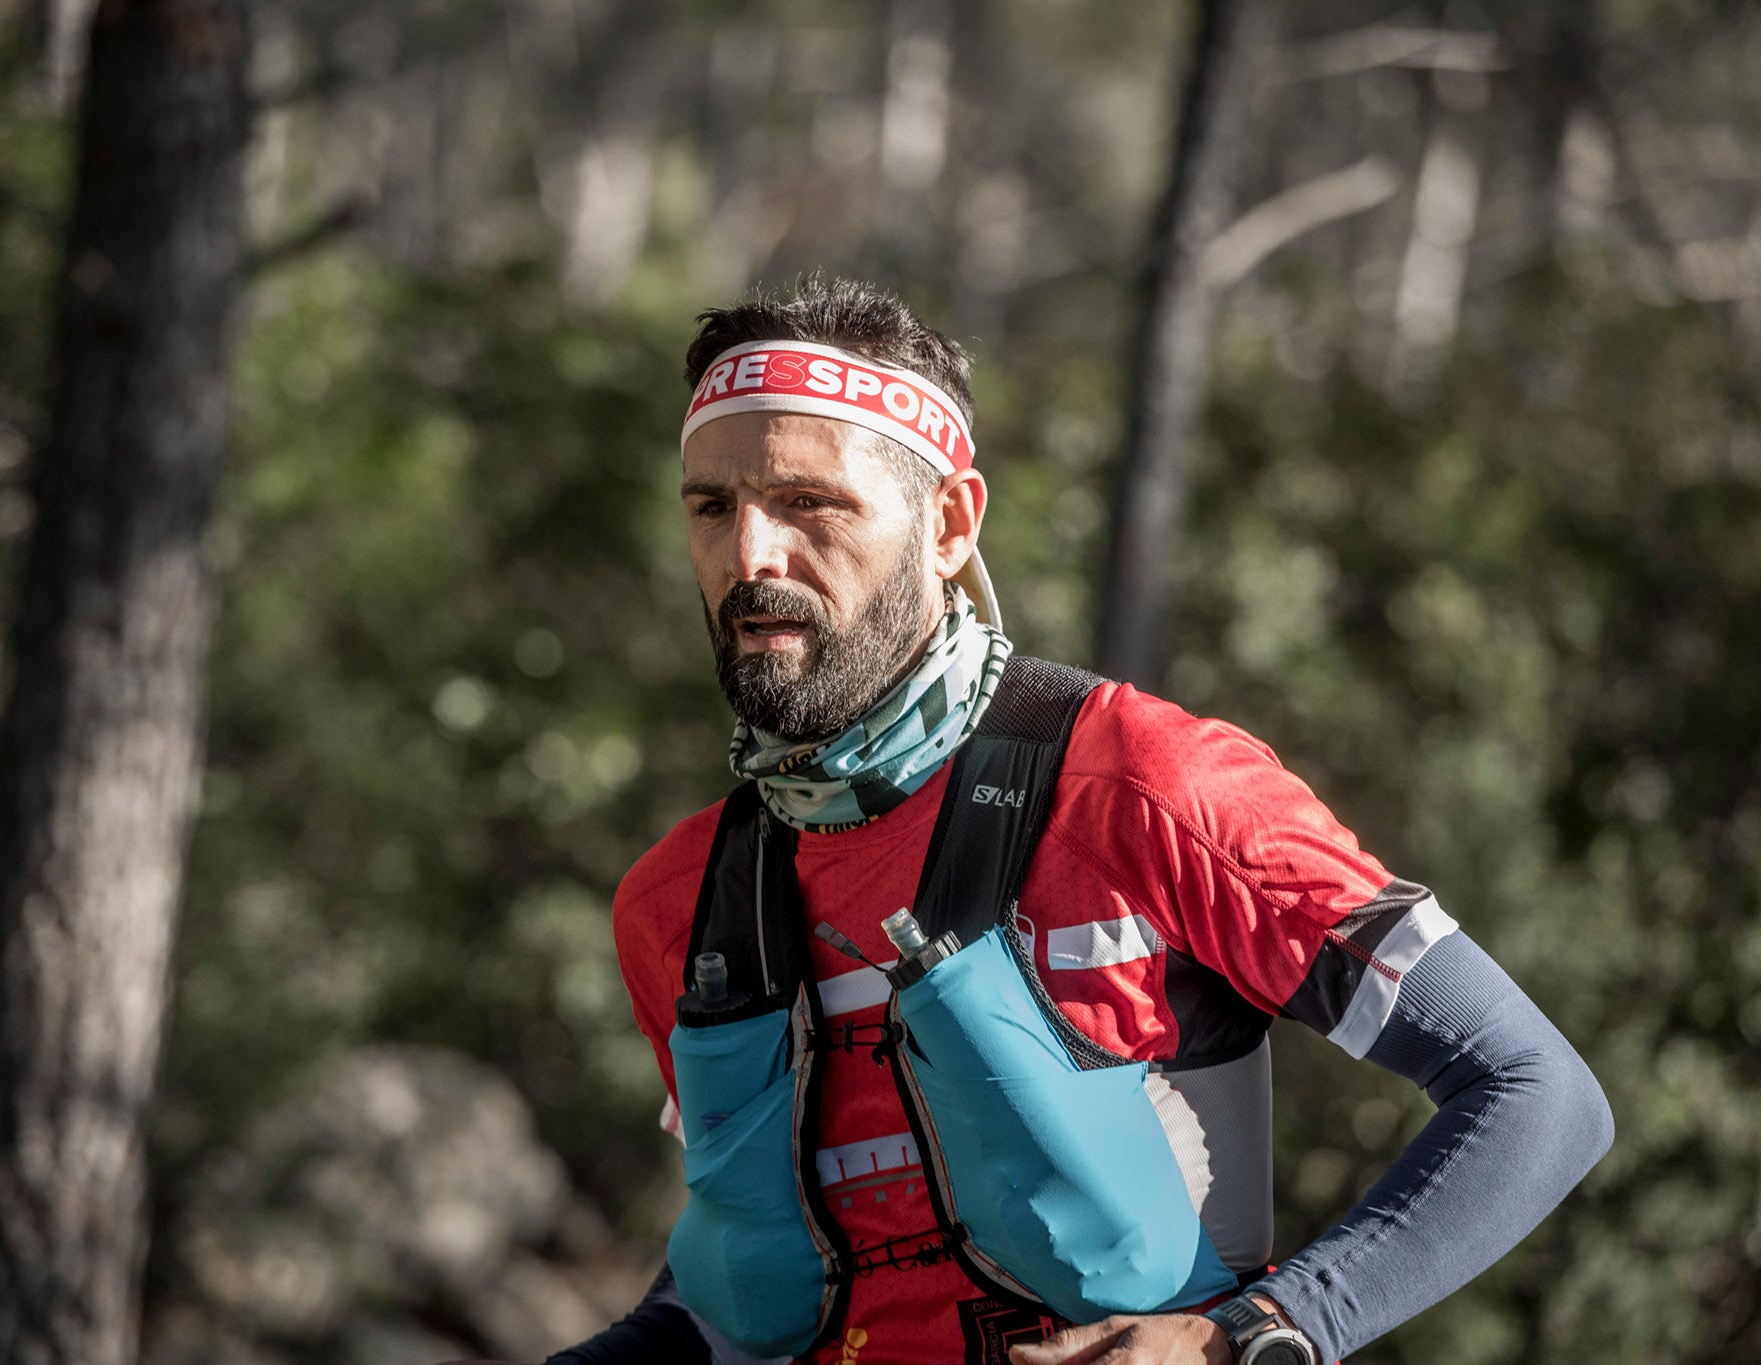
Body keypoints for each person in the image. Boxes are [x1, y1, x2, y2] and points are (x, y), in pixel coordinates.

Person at [523, 277, 1612, 1365]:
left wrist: (1253, 1338)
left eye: (809, 503)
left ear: (948, 524)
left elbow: (1538, 1095)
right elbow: (753, 1260)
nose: (748, 557)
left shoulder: (1144, 787)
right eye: (710, 506)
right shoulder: (677, 901)